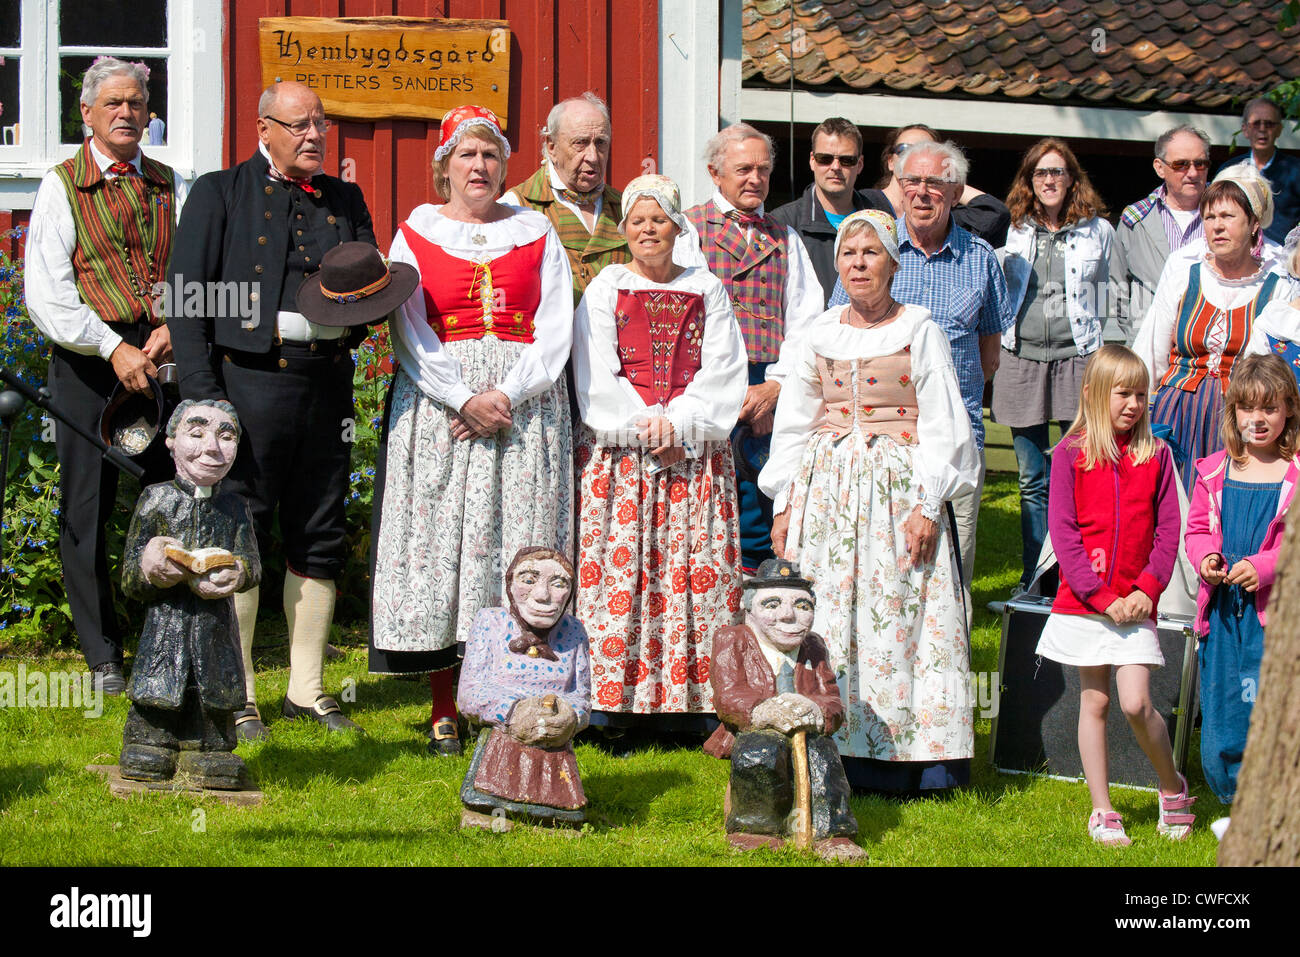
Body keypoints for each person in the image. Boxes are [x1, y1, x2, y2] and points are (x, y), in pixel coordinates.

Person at [168, 80, 376, 738]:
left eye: (321, 123)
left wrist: (350, 319)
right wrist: (204, 400)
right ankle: (240, 694)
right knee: (242, 534)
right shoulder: (218, 191)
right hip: (247, 382)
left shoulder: (346, 199)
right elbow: (186, 297)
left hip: (326, 384)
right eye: (300, 124)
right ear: (265, 129)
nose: (315, 134)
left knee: (320, 532)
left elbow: (372, 289)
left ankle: (308, 690)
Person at [370, 105, 574, 758]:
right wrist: (462, 396)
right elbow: (409, 327)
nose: (479, 166)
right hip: (442, 408)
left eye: (489, 155)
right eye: (466, 155)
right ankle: (441, 707)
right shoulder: (416, 232)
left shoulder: (537, 229)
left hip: (523, 408)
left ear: (504, 165)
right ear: (444, 167)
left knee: (514, 545)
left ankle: (513, 696)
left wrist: (505, 394)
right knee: (446, 550)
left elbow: (556, 327)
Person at [759, 209, 980, 793]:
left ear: (892, 262)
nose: (859, 263)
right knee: (827, 610)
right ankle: (830, 743)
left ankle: (916, 757)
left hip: (898, 487)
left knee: (903, 609)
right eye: (850, 253)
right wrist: (783, 501)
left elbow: (945, 421)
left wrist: (929, 504)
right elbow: (794, 420)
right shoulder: (819, 330)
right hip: (827, 489)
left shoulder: (919, 328)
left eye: (871, 253)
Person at [24, 57, 187, 696]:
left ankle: (167, 636)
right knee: (87, 509)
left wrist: (178, 322)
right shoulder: (61, 185)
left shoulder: (176, 183)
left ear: (149, 113)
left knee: (170, 501)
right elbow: (47, 294)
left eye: (136, 104)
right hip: (89, 370)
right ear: (86, 114)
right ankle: (102, 655)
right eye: (113, 104)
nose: (126, 114)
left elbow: (200, 267)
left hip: (164, 362)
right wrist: (111, 345)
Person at [571, 173, 747, 731]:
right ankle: (613, 705)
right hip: (625, 457)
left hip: (693, 453)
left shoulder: (707, 287)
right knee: (625, 573)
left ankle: (694, 706)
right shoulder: (605, 287)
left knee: (695, 569)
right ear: (625, 230)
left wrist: (682, 422)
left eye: (660, 220)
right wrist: (644, 424)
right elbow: (597, 370)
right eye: (638, 221)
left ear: (678, 226)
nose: (649, 230)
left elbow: (723, 367)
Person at [833, 139, 1014, 595]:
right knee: (877, 578)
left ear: (956, 192)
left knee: (948, 578)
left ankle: (948, 667)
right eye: (911, 181)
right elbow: (838, 339)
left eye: (935, 182)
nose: (921, 192)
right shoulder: (870, 255)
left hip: (953, 445)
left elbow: (988, 356)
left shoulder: (981, 260)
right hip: (876, 445)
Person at [1037, 345, 1193, 845]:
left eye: (1142, 395)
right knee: (1096, 701)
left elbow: (1170, 532)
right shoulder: (1068, 456)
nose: (1134, 404)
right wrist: (1102, 597)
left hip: (1137, 603)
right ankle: (1102, 809)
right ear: (1093, 394)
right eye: (1123, 393)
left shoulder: (1159, 456)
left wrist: (1147, 590)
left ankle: (1172, 788)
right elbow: (1065, 537)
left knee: (1135, 701)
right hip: (1086, 605)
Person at [676, 123, 824, 572]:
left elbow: (807, 318)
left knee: (764, 486)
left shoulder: (786, 238)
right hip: (706, 380)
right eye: (743, 169)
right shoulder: (687, 229)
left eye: (762, 169)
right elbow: (682, 312)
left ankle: (763, 590)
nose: (754, 179)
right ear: (714, 172)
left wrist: (776, 386)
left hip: (770, 380)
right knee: (709, 488)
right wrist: (724, 385)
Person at [118, 400, 260, 790]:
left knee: (214, 693)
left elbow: (252, 563)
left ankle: (212, 749)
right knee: (158, 687)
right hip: (166, 623)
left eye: (225, 436)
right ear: (170, 442)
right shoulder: (156, 499)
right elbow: (129, 575)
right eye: (196, 433)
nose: (211, 447)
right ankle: (150, 739)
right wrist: (150, 567)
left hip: (215, 627)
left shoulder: (234, 507)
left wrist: (238, 572)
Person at [994, 138, 1112, 594]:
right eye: (1040, 173)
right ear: (1029, 180)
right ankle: (1034, 580)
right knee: (1031, 480)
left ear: (1071, 179)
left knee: (1082, 473)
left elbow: (1112, 293)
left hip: (1079, 359)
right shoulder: (1011, 228)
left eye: (1057, 172)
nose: (1049, 180)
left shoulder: (1098, 230)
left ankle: (1077, 579)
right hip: (1021, 359)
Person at [1184, 354, 1300, 807]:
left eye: (1269, 408)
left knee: (1270, 704)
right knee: (1224, 703)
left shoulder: (1295, 476)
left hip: (1274, 618)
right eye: (1247, 408)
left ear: (1289, 409)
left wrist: (1265, 566)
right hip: (1222, 615)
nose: (1258, 419)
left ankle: (1274, 798)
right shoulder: (1213, 471)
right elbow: (1195, 532)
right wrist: (1207, 557)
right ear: (1232, 412)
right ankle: (1231, 796)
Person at [1132, 164, 1291, 492]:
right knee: (1168, 504)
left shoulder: (1278, 287)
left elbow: (1283, 370)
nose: (1217, 227)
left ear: (1254, 225)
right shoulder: (1183, 273)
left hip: (1240, 419)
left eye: (1228, 217)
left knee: (1227, 502)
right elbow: (1151, 347)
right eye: (1209, 217)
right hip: (1176, 412)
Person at [706, 559, 865, 862]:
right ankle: (755, 829)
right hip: (757, 726)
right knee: (760, 752)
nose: (788, 615)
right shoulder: (732, 640)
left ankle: (832, 832)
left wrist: (815, 711)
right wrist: (764, 710)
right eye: (772, 604)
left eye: (802, 606)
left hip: (806, 729)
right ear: (749, 610)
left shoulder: (813, 647)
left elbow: (831, 699)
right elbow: (728, 695)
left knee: (825, 756)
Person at [458, 547, 591, 826]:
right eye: (528, 580)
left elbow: (582, 697)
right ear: (509, 584)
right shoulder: (491, 622)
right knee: (493, 790)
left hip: (555, 748)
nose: (543, 595)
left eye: (558, 584)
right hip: (504, 741)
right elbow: (470, 694)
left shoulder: (574, 632)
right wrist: (512, 712)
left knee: (558, 805)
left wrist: (570, 716)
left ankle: (556, 813)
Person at [500, 92, 629, 305]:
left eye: (601, 143)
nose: (593, 156)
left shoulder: (627, 209)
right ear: (552, 147)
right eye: (580, 143)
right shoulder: (516, 207)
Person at [1111, 126, 1212, 342]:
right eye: (1181, 164)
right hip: (1148, 344)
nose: (1193, 173)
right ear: (1159, 167)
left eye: (1200, 163)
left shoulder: (1228, 214)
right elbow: (1116, 285)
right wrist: (1136, 332)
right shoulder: (1135, 219)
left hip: (1207, 348)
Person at [1217, 98, 1300, 246]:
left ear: (1279, 129)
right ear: (1245, 129)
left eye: (1269, 124)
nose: (1262, 129)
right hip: (1237, 255)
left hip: (1283, 260)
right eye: (1256, 124)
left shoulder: (1295, 170)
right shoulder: (1229, 170)